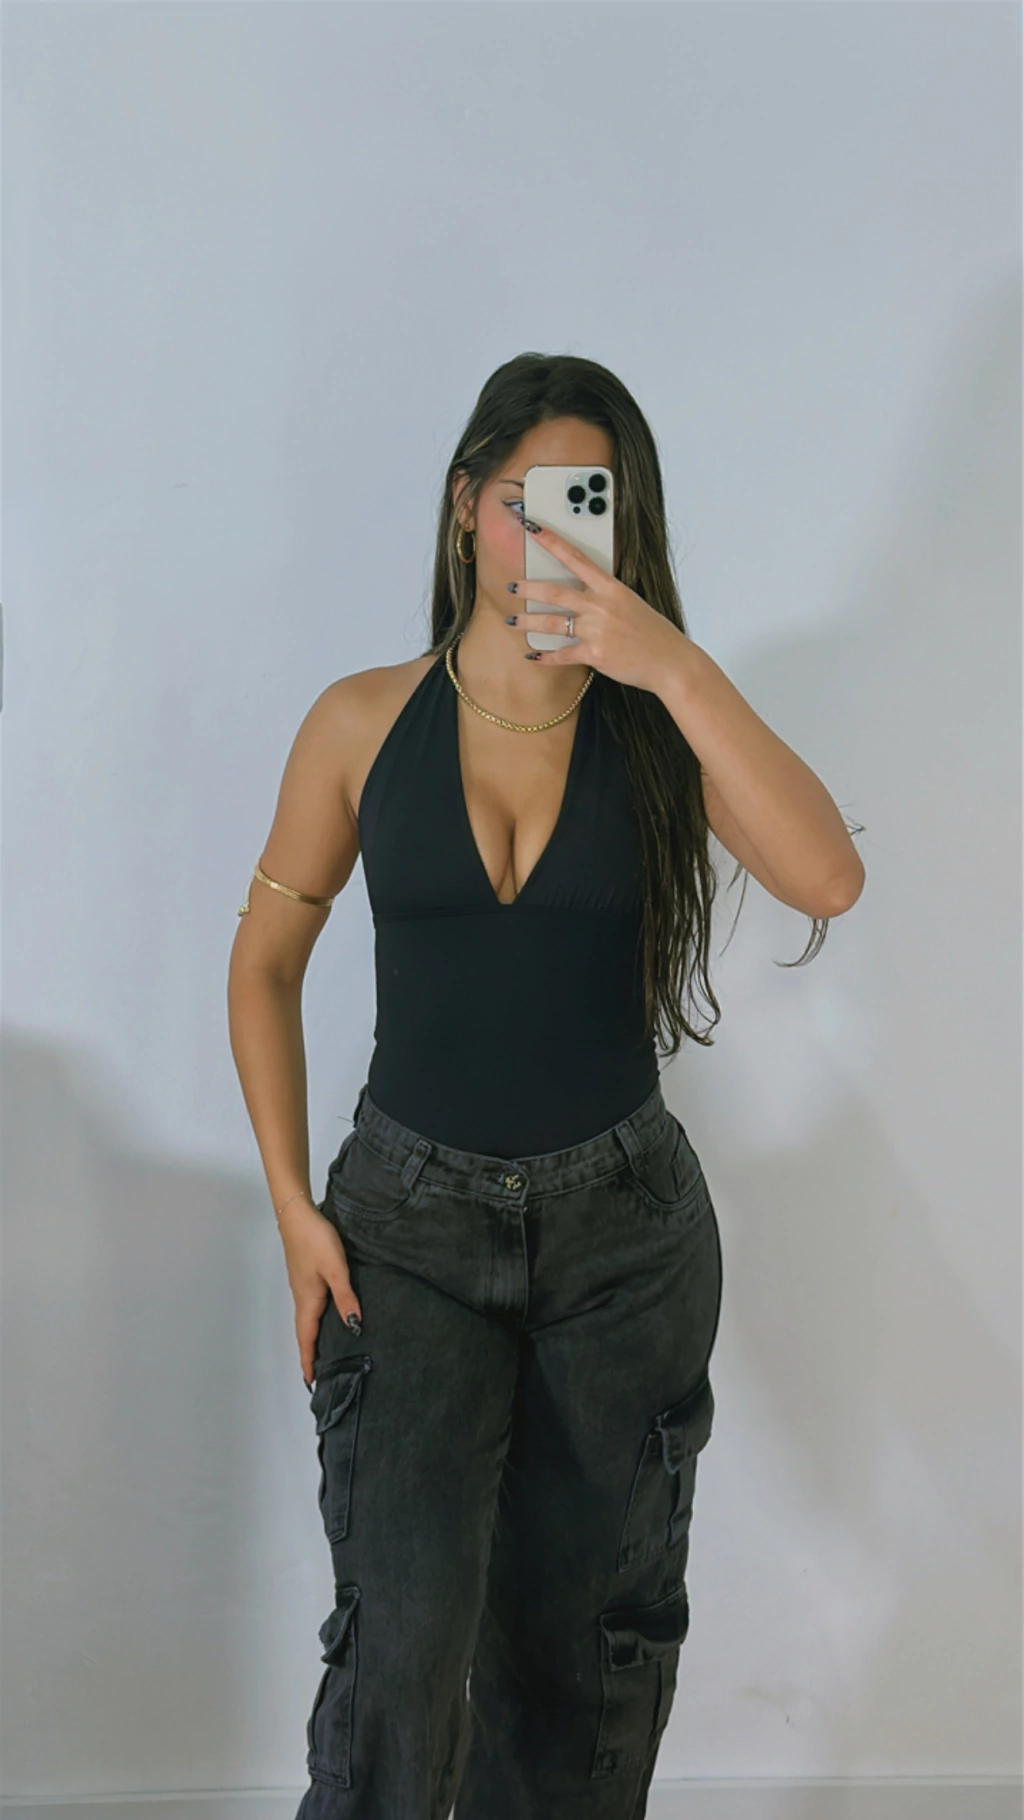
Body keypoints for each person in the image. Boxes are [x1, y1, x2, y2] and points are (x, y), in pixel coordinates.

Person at [227, 352, 864, 1819]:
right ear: (467, 506)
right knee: (397, 1664)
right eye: (527, 502)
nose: (552, 538)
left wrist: (669, 662)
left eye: (592, 507)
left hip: (622, 1241)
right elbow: (261, 966)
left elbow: (827, 876)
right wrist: (292, 1209)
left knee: (582, 1676)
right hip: (404, 1234)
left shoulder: (658, 725)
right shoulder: (360, 722)